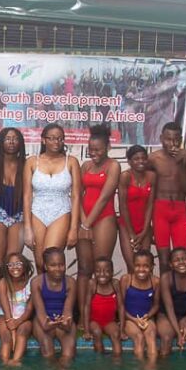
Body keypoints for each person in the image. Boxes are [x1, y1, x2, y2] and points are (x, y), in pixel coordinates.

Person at [24, 123, 82, 273]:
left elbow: (76, 196)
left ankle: (55, 296)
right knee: (39, 263)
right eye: (52, 138)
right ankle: (41, 294)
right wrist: (27, 227)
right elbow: (27, 196)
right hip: (37, 212)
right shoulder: (31, 161)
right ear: (43, 140)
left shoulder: (71, 161)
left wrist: (74, 229)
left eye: (60, 139)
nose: (56, 142)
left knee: (51, 261)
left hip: (61, 212)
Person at [77, 125, 121, 313]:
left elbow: (104, 197)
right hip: (83, 219)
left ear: (107, 148)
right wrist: (82, 221)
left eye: (98, 150)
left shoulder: (114, 165)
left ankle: (102, 312)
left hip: (104, 219)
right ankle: (81, 314)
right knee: (84, 269)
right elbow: (77, 195)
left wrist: (87, 223)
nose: (93, 153)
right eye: (91, 150)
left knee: (101, 267)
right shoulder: (85, 166)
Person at [147, 121, 186, 273]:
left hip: (179, 208)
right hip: (160, 209)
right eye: (168, 139)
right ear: (161, 138)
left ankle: (180, 294)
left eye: (176, 139)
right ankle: (164, 294)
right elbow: (146, 187)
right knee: (164, 259)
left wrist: (179, 165)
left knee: (182, 256)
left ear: (181, 139)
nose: (172, 143)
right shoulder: (153, 158)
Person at [0, 127, 27, 277]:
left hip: (18, 216)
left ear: (20, 142)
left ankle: (9, 301)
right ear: (0, 142)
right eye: (7, 138)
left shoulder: (26, 164)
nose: (11, 142)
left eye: (15, 139)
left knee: (12, 265)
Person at [31, 247, 78, 363]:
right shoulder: (37, 282)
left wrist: (64, 323)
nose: (58, 269)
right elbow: (42, 317)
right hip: (43, 321)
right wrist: (49, 323)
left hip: (62, 321)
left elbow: (68, 313)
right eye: (53, 265)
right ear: (46, 267)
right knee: (48, 354)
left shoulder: (71, 282)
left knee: (68, 355)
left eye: (61, 265)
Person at [118, 145, 156, 273]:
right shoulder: (125, 176)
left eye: (143, 158)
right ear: (129, 161)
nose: (141, 161)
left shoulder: (152, 176)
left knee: (144, 267)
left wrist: (145, 230)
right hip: (127, 225)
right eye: (136, 159)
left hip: (144, 226)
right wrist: (131, 233)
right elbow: (122, 205)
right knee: (132, 267)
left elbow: (150, 204)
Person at [121, 250, 160, 361]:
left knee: (151, 336)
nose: (141, 269)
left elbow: (156, 305)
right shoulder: (126, 279)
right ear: (133, 265)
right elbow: (120, 306)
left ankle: (151, 368)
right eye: (137, 266)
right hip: (129, 319)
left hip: (146, 318)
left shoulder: (155, 281)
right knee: (139, 337)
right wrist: (134, 319)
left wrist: (147, 316)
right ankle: (139, 369)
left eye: (146, 266)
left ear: (152, 267)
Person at [0, 251, 35, 365]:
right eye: (11, 265)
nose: (15, 268)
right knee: (6, 336)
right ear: (7, 268)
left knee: (23, 332)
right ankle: (4, 362)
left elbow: (29, 309)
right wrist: (11, 324)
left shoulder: (31, 283)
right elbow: (5, 306)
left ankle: (15, 361)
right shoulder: (3, 282)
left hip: (23, 318)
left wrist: (18, 321)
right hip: (4, 316)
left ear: (24, 265)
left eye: (18, 264)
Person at [82, 257, 122, 356]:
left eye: (106, 271)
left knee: (116, 334)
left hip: (109, 321)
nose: (102, 274)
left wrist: (123, 330)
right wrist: (86, 330)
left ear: (112, 272)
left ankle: (117, 362)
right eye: (98, 271)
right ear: (94, 273)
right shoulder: (92, 284)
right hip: (94, 321)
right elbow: (86, 306)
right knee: (97, 332)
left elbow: (121, 306)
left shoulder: (115, 284)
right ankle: (100, 358)